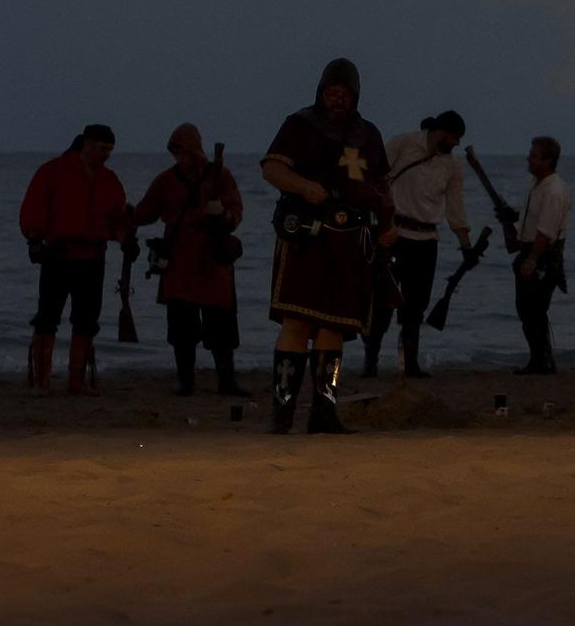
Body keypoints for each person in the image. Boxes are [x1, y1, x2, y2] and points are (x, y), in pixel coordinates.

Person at [261, 58, 394, 434]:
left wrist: (389, 221)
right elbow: (272, 168)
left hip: (350, 239)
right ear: (321, 92)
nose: (338, 100)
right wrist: (304, 187)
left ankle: (323, 414)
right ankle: (283, 415)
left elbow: (381, 183)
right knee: (296, 320)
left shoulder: (367, 134)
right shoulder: (300, 124)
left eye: (344, 94)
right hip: (307, 233)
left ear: (354, 97)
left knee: (334, 325)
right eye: (331, 93)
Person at [19, 124, 134, 395]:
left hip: (93, 257)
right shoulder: (53, 172)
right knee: (47, 318)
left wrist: (127, 239)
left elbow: (116, 219)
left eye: (110, 150)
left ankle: (76, 381)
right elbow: (34, 206)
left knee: (86, 320)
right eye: (102, 148)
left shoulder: (110, 180)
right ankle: (42, 381)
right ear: (87, 144)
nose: (106, 154)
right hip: (58, 255)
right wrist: (35, 239)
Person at [134, 124, 246, 396]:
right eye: (176, 152)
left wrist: (224, 216)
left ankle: (226, 381)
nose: (180, 157)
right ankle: (186, 382)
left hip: (213, 260)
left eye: (183, 151)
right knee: (182, 330)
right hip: (181, 261)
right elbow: (144, 212)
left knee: (222, 329)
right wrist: (121, 219)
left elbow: (236, 211)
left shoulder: (220, 176)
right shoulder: (166, 180)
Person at [364, 111, 474, 379]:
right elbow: (377, 176)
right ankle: (371, 362)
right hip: (394, 235)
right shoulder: (404, 143)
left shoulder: (453, 166)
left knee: (415, 306)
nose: (457, 144)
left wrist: (466, 246)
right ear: (442, 131)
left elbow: (455, 209)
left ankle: (409, 364)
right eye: (455, 137)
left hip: (426, 242)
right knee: (382, 302)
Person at [513, 136, 571, 375]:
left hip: (544, 257)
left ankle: (542, 361)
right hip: (533, 252)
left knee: (534, 310)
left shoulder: (554, 190)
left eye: (534, 156)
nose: (529, 159)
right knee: (527, 309)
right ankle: (540, 359)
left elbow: (545, 232)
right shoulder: (537, 187)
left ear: (547, 161)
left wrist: (532, 260)